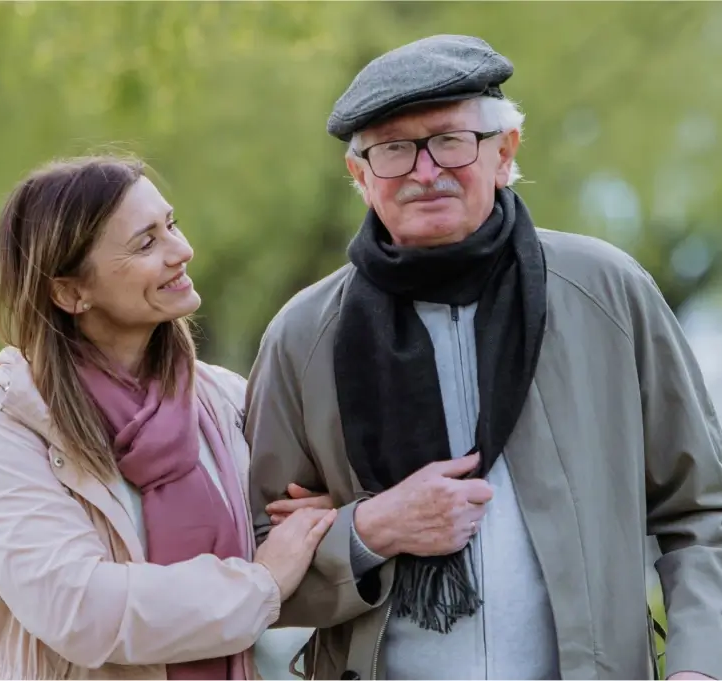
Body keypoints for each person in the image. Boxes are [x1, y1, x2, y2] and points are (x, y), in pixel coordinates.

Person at [246, 34, 722, 681]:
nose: (423, 171)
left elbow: (700, 509)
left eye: (449, 140)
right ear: (359, 176)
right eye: (392, 149)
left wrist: (698, 666)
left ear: (504, 152)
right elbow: (254, 566)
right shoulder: (302, 335)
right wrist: (369, 528)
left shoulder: (606, 293)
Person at [0, 156, 334, 680]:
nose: (183, 250)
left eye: (170, 224)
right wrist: (260, 583)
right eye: (146, 243)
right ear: (70, 292)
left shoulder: (224, 397)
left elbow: (297, 529)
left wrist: (325, 514)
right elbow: (80, 610)